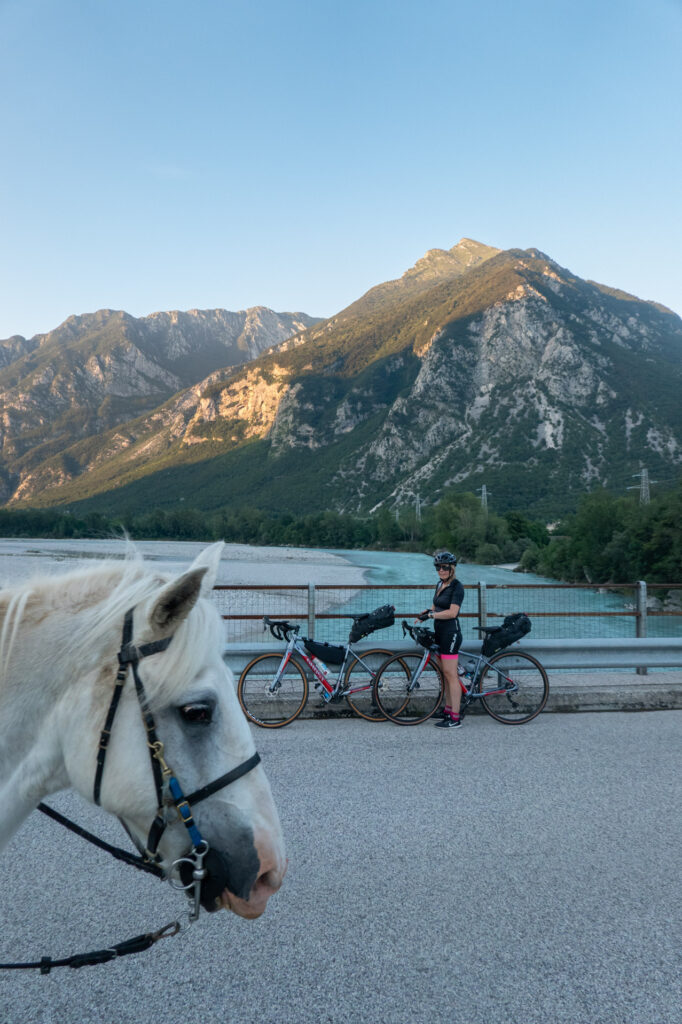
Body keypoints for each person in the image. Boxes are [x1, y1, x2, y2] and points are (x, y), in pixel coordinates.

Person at [417, 551, 464, 729]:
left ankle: (455, 717)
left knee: (451, 675)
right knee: (444, 673)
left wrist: (431, 615)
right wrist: (424, 614)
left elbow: (452, 612)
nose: (441, 570)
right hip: (439, 632)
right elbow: (435, 606)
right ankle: (447, 709)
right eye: (438, 567)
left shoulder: (457, 587)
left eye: (445, 567)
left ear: (452, 568)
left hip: (451, 634)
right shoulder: (439, 584)